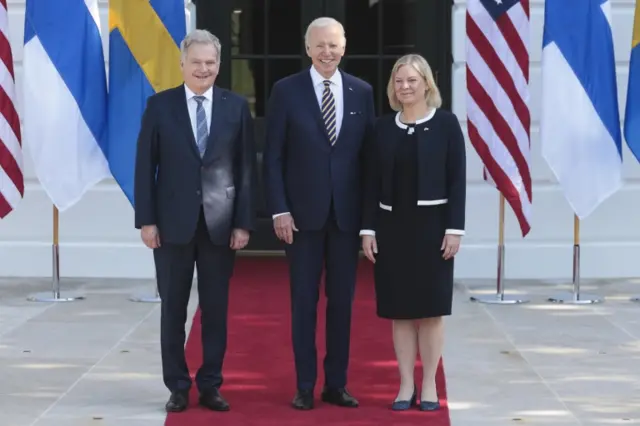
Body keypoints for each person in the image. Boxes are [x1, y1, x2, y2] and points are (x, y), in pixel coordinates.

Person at [134, 29, 256, 413]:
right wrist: (147, 221)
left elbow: (246, 169)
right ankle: (177, 386)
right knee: (173, 308)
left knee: (215, 310)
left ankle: (210, 384)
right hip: (172, 225)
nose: (203, 69)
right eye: (197, 62)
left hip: (220, 225)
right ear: (182, 64)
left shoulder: (236, 107)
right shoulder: (159, 106)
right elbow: (144, 167)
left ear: (219, 65)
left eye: (211, 62)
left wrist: (243, 223)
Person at [263, 17, 375, 410]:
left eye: (334, 45)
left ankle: (336, 384)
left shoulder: (362, 92)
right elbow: (273, 156)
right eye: (319, 45)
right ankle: (305, 385)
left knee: (342, 304)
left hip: (346, 220)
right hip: (301, 218)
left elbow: (368, 161)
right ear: (307, 49)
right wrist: (279, 209)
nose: (327, 52)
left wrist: (368, 223)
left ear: (344, 47)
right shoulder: (285, 91)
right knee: (304, 303)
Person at [360, 54, 466, 412]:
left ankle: (430, 383)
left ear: (427, 85)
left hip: (434, 231)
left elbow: (457, 181)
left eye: (412, 80)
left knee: (431, 311)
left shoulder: (448, 125)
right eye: (399, 81)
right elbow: (370, 183)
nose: (405, 87)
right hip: (393, 231)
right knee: (401, 311)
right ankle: (405, 383)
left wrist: (454, 229)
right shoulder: (382, 128)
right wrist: (368, 230)